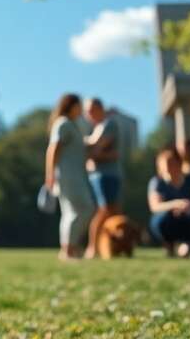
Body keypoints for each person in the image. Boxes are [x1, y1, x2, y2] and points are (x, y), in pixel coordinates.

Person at [45, 94, 95, 260]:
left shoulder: (72, 125)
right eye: (79, 105)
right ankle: (69, 248)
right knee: (83, 209)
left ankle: (68, 249)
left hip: (75, 176)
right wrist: (50, 175)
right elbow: (53, 149)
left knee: (70, 213)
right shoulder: (63, 123)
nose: (81, 109)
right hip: (68, 177)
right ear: (71, 105)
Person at [148, 146, 190, 257]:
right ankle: (170, 245)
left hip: (188, 217)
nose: (168, 165)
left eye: (171, 162)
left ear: (179, 162)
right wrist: (175, 204)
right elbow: (155, 206)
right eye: (164, 163)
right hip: (169, 220)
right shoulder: (157, 182)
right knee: (161, 220)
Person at [82, 97, 122, 259]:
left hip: (107, 175)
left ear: (100, 108)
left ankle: (102, 248)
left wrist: (86, 148)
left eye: (91, 110)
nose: (88, 114)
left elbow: (98, 146)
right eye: (86, 111)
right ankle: (95, 247)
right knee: (106, 211)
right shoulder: (99, 127)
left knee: (109, 212)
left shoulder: (108, 124)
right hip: (101, 175)